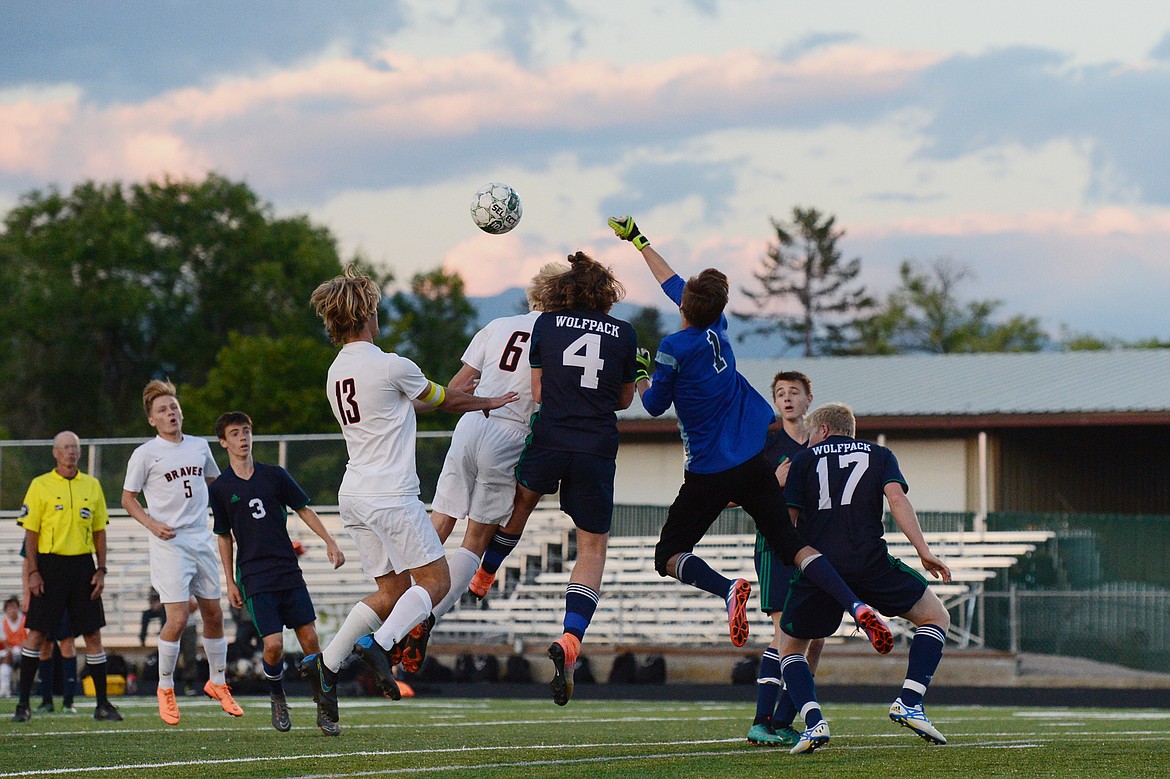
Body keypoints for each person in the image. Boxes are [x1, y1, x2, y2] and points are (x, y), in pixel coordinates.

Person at [607, 215, 892, 655]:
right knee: (794, 546)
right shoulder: (719, 331)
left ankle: (726, 589)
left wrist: (643, 375)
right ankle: (856, 606)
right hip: (752, 463)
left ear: (685, 308)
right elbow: (675, 284)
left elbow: (652, 406)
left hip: (708, 471)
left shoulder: (674, 348)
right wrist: (640, 242)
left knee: (668, 554)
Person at [299, 265, 518, 733]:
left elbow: (405, 405)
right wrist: (488, 403)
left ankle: (326, 666)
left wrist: (457, 395)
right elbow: (443, 400)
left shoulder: (338, 370)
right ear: (367, 315)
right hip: (390, 494)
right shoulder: (391, 363)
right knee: (435, 582)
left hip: (354, 495)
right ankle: (381, 647)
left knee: (391, 591)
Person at [469, 252, 638, 706]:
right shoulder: (625, 333)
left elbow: (539, 390)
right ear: (606, 293)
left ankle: (484, 575)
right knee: (592, 547)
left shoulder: (546, 325)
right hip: (596, 446)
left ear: (563, 291)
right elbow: (624, 400)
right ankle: (571, 637)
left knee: (520, 505)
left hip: (551, 436)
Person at [404, 261, 569, 673]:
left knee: (438, 522)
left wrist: (411, 412)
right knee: (476, 538)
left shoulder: (497, 325)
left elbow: (457, 387)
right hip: (510, 429)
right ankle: (422, 622)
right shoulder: (559, 336)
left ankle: (397, 607)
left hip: (470, 422)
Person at [780, 402, 953, 754]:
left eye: (810, 434)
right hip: (869, 560)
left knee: (790, 646)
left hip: (821, 567)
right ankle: (910, 700)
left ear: (823, 430)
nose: (808, 440)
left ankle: (814, 723)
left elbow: (789, 519)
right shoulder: (880, 454)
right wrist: (923, 550)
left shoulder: (803, 459)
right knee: (936, 617)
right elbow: (897, 498)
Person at [210, 410, 346, 734]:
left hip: (286, 568)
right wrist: (229, 581)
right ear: (223, 442)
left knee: (311, 639)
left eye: (246, 431)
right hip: (254, 575)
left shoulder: (274, 475)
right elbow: (224, 536)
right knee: (273, 646)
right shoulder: (220, 488)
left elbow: (303, 508)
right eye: (235, 434)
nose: (242, 438)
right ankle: (277, 696)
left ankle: (323, 707)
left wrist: (330, 541)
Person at [121, 380, 242, 725]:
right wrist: (151, 524)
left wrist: (236, 513)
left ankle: (217, 683)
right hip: (169, 543)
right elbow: (128, 499)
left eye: (173, 407)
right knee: (176, 619)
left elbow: (216, 485)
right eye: (162, 410)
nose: (170, 413)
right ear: (152, 420)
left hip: (200, 537)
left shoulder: (199, 446)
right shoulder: (145, 453)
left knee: (214, 616)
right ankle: (165, 688)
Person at [11, 431, 123, 723]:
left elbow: (100, 531)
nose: (71, 452)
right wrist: (33, 572)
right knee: (36, 634)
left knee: (93, 634)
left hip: (83, 566)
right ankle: (23, 704)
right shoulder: (40, 485)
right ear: (55, 453)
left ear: (80, 452)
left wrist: (101, 569)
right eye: (65, 448)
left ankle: (102, 704)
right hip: (49, 567)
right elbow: (30, 534)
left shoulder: (92, 485)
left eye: (74, 447)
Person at [747, 370, 827, 748]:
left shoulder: (820, 446)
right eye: (781, 393)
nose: (788, 398)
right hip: (777, 546)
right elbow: (732, 495)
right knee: (786, 635)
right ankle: (761, 722)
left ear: (809, 398)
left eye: (794, 392)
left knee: (815, 639)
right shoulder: (766, 445)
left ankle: (783, 720)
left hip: (812, 551)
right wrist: (771, 483)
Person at [1, 597, 27, 699]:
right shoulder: (3, 624)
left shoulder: (25, 621)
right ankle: (4, 690)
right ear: (6, 610)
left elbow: (29, 639)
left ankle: (25, 691)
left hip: (24, 652)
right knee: (5, 665)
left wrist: (20, 648)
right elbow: (4, 642)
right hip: (11, 653)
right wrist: (10, 651)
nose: (13, 610)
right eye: (10, 608)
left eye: (15, 607)